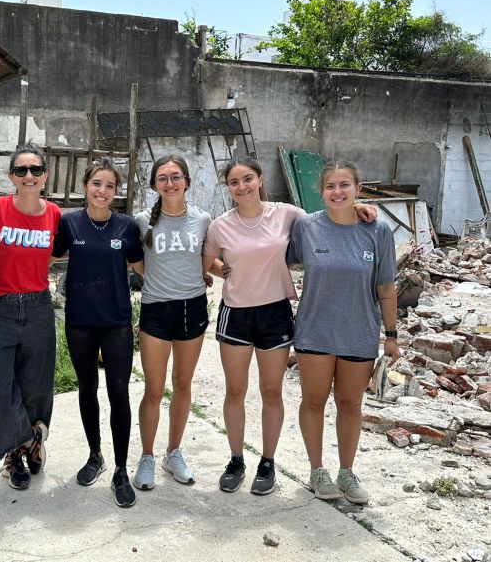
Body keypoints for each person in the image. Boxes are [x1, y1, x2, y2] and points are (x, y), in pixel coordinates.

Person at [202, 156, 375, 496]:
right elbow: (205, 261)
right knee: (235, 391)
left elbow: (330, 217)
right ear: (229, 188)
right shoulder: (220, 225)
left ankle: (267, 462)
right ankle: (236, 459)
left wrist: (361, 209)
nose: (242, 187)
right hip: (235, 314)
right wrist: (222, 269)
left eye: (248, 179)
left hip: (275, 312)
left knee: (271, 392)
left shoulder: (287, 214)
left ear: (261, 179)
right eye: (235, 182)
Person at [287, 159, 399, 505]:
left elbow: (386, 287)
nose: (338, 192)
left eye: (344, 185)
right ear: (321, 192)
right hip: (315, 331)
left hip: (359, 332)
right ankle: (317, 470)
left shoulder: (377, 230)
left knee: (350, 404)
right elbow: (278, 258)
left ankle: (347, 472)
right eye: (330, 186)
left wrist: (392, 335)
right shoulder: (306, 227)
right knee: (315, 400)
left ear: (358, 188)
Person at [52, 158, 144, 507]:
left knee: (119, 393)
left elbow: (142, 268)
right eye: (96, 184)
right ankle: (95, 455)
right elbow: (47, 255)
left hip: (117, 321)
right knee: (87, 388)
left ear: (115, 191)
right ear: (85, 186)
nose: (102, 191)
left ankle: (121, 469)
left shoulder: (127, 226)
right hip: (79, 320)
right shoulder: (68, 222)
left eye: (109, 185)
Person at [132, 155, 223, 491]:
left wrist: (220, 271)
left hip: (193, 309)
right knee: (154, 390)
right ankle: (146, 457)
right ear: (154, 183)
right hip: (156, 309)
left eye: (175, 177)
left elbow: (207, 259)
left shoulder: (202, 219)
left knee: (183, 386)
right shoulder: (143, 221)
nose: (169, 183)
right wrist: (162, 279)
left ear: (186, 180)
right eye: (162, 178)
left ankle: (173, 452)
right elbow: (139, 264)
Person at [0, 144, 60, 490]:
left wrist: (28, 275)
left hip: (39, 306)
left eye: (36, 170)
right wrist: (9, 274)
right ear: (11, 176)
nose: (29, 176)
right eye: (21, 170)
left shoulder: (54, 213)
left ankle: (16, 456)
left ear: (45, 175)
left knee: (37, 385)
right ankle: (27, 440)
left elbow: (54, 256)